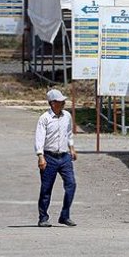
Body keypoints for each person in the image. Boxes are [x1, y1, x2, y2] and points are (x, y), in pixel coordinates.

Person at [34, 89, 78, 227]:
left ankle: (65, 216)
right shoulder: (44, 118)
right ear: (52, 103)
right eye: (60, 101)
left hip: (64, 156)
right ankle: (43, 217)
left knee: (71, 184)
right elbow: (39, 138)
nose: (63, 103)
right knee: (46, 188)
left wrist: (72, 148)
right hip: (49, 157)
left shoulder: (67, 116)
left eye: (63, 101)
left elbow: (69, 133)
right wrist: (40, 156)